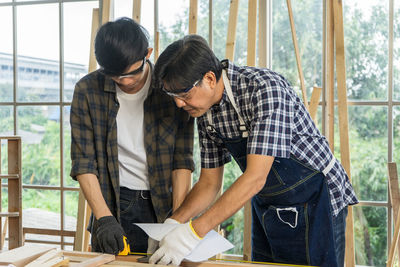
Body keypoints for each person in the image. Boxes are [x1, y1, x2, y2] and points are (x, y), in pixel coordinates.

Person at [149, 34, 358, 267]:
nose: (179, 104)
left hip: (316, 197)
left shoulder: (264, 89)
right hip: (269, 201)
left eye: (184, 94)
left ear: (209, 78)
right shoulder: (204, 111)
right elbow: (209, 183)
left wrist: (192, 233)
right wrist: (174, 224)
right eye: (174, 97)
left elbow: (256, 177)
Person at [70, 17, 194, 255]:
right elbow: (84, 163)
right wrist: (104, 219)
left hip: (164, 204)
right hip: (113, 204)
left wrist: (177, 220)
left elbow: (182, 161)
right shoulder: (87, 91)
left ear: (148, 53)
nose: (125, 82)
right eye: (116, 77)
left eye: (131, 74)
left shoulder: (171, 89)